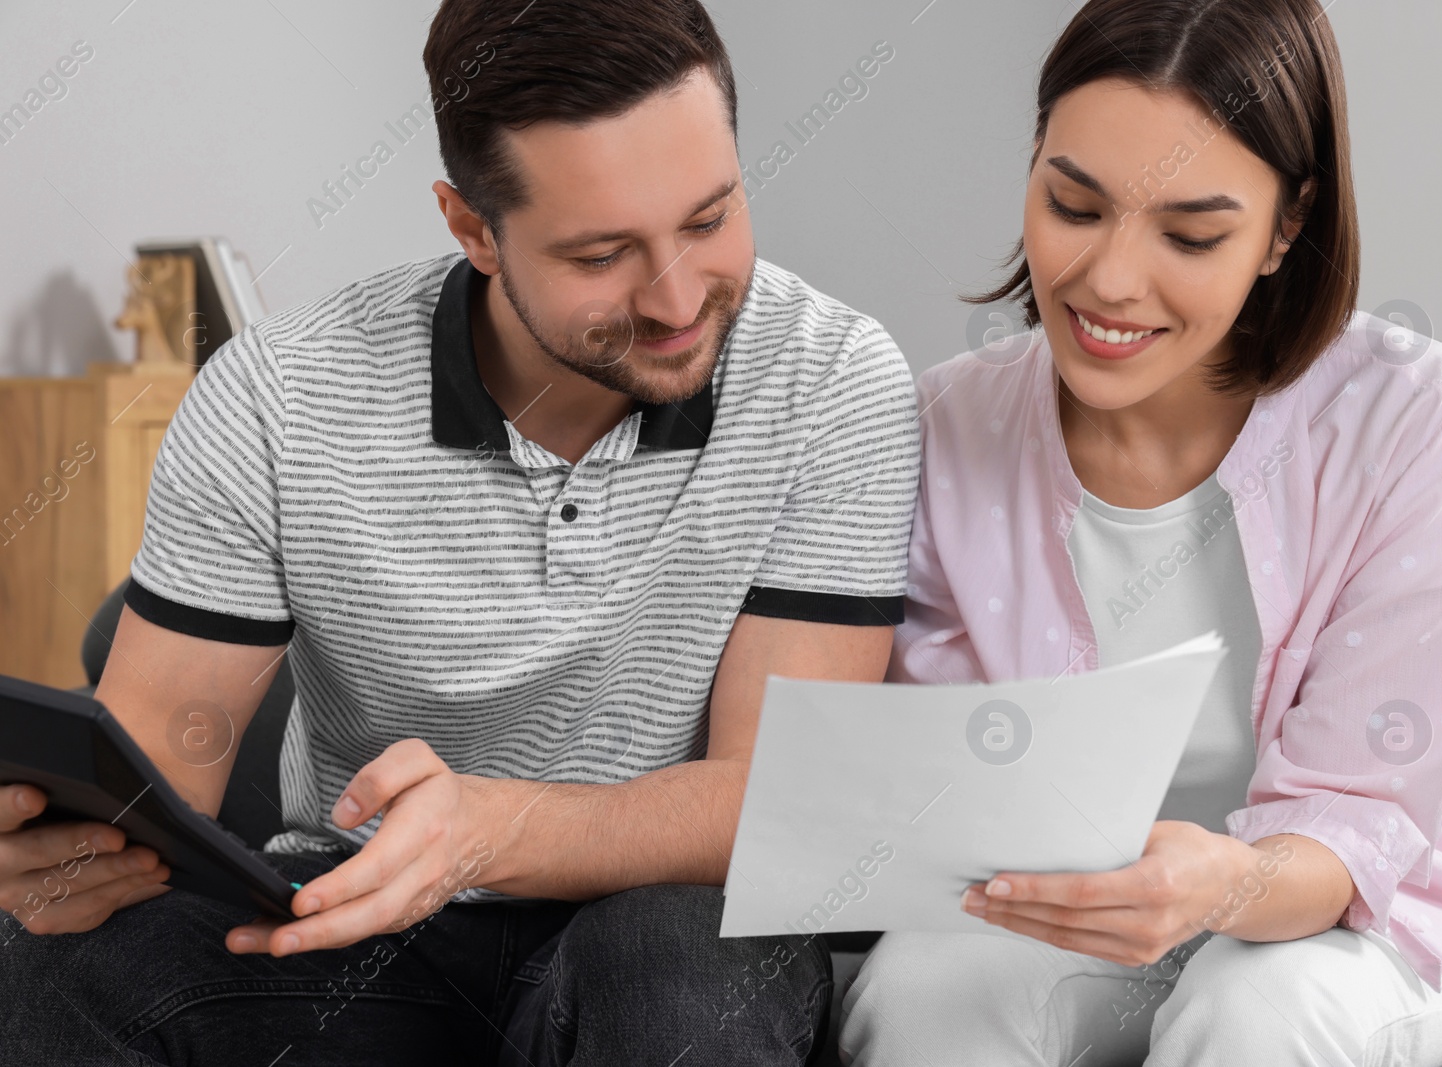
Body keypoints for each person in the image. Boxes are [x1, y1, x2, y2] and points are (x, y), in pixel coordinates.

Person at [0, 1, 919, 1064]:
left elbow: (778, 796)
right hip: (351, 930)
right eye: (602, 253)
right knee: (55, 958)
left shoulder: (833, 380)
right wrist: (66, 859)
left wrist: (492, 829)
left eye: (710, 218)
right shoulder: (279, 397)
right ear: (472, 227)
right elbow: (157, 769)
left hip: (653, 928)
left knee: (677, 958)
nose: (676, 299)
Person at [838, 0, 1442, 1064]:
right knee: (922, 989)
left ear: (1287, 225)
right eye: (1072, 204)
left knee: (1253, 1008)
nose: (1108, 281)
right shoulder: (945, 423)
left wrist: (1217, 882)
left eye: (1190, 234)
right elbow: (930, 783)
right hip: (1077, 907)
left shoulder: (1417, 421)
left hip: (1342, 923)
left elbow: (1355, 827)